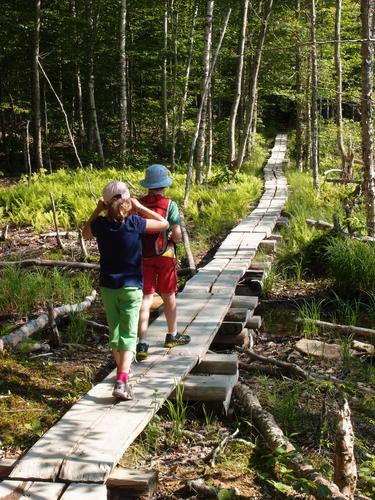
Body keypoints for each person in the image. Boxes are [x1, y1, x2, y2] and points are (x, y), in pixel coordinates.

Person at [82, 181, 168, 400]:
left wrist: (97, 210)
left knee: (115, 331)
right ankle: (122, 380)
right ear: (128, 201)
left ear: (106, 202)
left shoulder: (101, 225)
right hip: (131, 287)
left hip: (108, 286)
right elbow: (164, 223)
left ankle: (122, 372)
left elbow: (85, 234)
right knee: (129, 334)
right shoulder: (135, 223)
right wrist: (140, 207)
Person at [136, 164, 191, 361]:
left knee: (146, 299)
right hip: (165, 256)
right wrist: (171, 237)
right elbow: (176, 236)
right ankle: (172, 335)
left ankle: (142, 342)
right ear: (164, 185)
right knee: (168, 296)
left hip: (143, 257)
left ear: (148, 184)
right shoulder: (170, 205)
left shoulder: (137, 204)